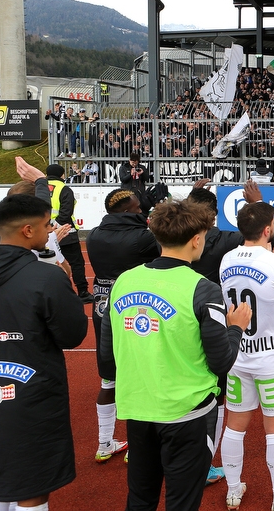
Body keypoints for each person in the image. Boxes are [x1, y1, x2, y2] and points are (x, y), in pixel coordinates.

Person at [101, 199, 251, 511]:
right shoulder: (203, 288)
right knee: (181, 502)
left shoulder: (123, 282)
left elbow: (107, 361)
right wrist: (235, 328)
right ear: (197, 239)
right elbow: (221, 361)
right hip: (188, 414)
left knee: (140, 499)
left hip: (138, 409)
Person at [0, 194, 89, 510]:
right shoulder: (46, 276)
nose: (51, 231)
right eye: (47, 225)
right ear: (28, 230)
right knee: (33, 483)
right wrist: (68, 286)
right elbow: (72, 335)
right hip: (32, 392)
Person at [219, 203, 274, 511]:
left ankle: (233, 490)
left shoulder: (226, 259)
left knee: (235, 424)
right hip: (271, 356)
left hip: (238, 353)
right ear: (268, 230)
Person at [187, 179, 263, 485]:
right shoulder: (225, 239)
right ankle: (204, 463)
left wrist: (192, 195)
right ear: (215, 215)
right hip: (213, 319)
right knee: (213, 393)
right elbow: (261, 238)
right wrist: (256, 204)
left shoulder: (171, 237)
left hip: (177, 318)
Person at [86, 188, 161, 465]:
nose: (142, 210)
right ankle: (137, 446)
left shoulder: (93, 234)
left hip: (102, 307)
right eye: (139, 208)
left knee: (109, 379)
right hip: (136, 308)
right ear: (130, 211)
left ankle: (104, 442)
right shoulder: (143, 237)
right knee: (143, 377)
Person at [45, 163, 91, 302]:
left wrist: (48, 229)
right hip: (66, 232)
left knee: (48, 263)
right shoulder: (64, 189)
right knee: (76, 263)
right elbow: (66, 212)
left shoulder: (39, 188)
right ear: (61, 175)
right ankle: (82, 292)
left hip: (43, 232)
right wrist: (56, 229)